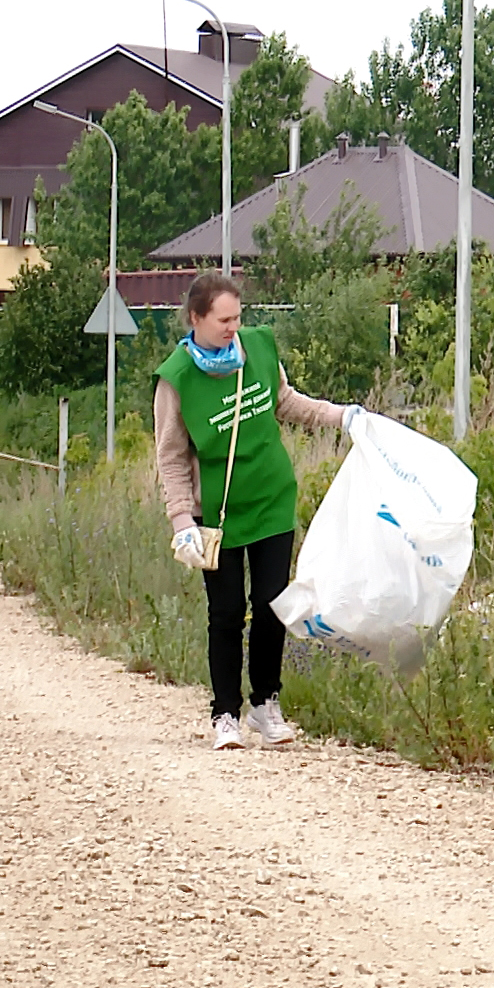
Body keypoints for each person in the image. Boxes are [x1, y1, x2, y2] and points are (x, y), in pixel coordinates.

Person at [153, 272, 361, 751]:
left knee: (272, 604)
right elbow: (170, 454)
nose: (232, 328)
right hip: (220, 517)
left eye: (237, 318)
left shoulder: (259, 349)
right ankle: (224, 713)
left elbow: (286, 402)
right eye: (223, 320)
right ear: (196, 318)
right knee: (226, 612)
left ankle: (265, 703)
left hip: (271, 500)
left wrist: (342, 415)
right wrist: (181, 518)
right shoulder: (177, 379)